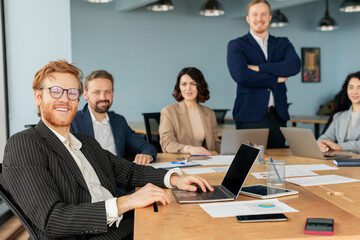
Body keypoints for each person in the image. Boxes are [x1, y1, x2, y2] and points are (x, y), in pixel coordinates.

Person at [2, 60, 213, 240]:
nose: (64, 99)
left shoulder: (85, 142)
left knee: (188, 216)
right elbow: (52, 219)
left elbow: (129, 171)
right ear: (38, 97)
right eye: (55, 91)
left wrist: (175, 179)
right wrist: (126, 202)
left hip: (117, 225)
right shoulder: (25, 143)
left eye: (72, 93)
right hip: (88, 235)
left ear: (78, 99)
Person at [226, 0, 301, 148]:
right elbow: (241, 75)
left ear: (270, 17)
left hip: (278, 116)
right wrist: (275, 79)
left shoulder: (282, 43)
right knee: (250, 164)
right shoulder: (236, 44)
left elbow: (294, 66)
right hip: (249, 116)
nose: (259, 19)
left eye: (263, 14)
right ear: (248, 18)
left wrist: (259, 68)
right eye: (254, 14)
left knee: (277, 161)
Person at [70, 70, 156, 166]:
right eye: (96, 92)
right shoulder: (74, 121)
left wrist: (146, 156)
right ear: (85, 95)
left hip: (119, 176)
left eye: (108, 92)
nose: (103, 97)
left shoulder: (119, 121)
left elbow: (148, 148)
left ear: (113, 93)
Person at [159, 67, 221, 155]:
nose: (188, 88)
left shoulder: (209, 113)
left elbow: (215, 144)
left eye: (193, 84)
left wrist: (233, 148)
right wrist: (188, 149)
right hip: (181, 161)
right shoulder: (168, 112)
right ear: (179, 87)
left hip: (206, 161)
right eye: (184, 84)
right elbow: (166, 144)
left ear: (200, 86)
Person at [317, 71, 360, 154]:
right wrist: (321, 144)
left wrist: (339, 146)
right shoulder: (339, 116)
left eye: (359, 87)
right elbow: (326, 136)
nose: (354, 92)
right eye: (351, 87)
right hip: (342, 160)